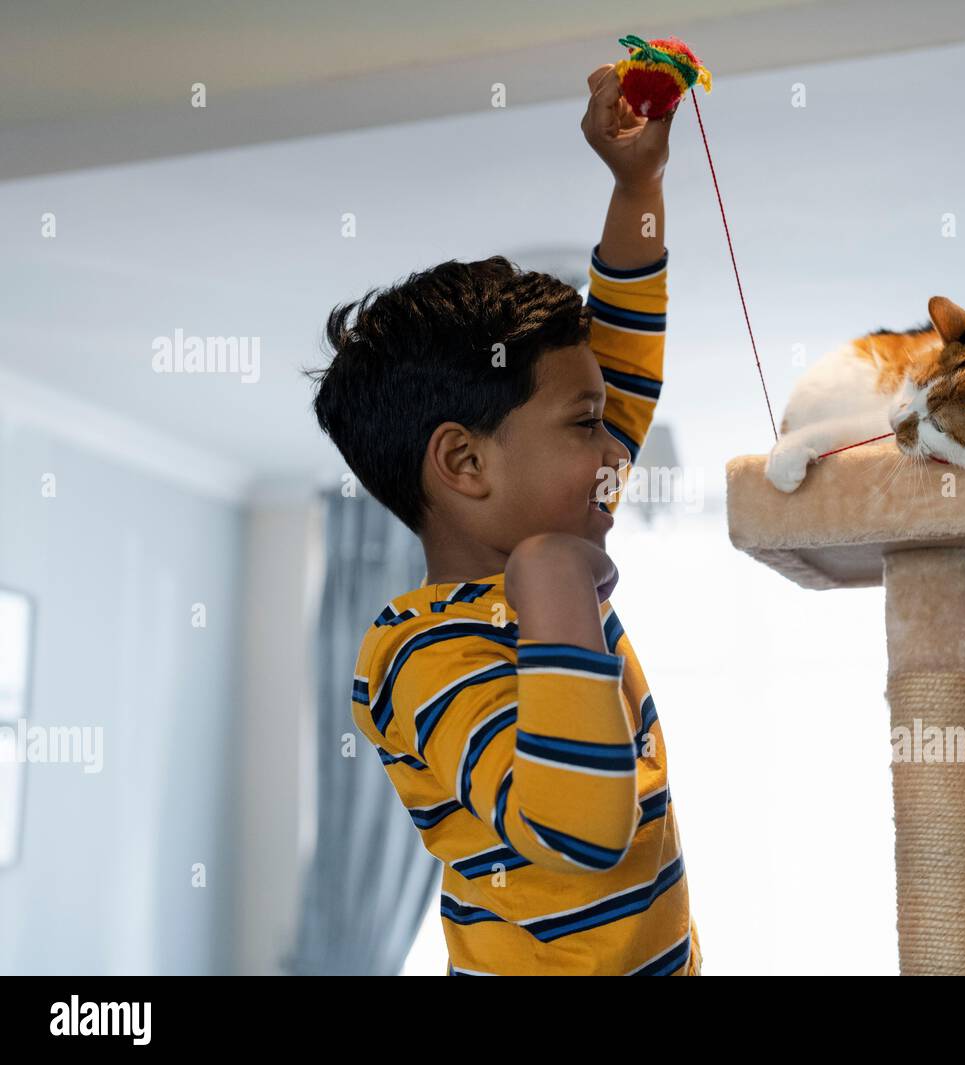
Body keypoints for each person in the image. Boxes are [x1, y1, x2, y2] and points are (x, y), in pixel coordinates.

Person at [309, 64, 701, 975]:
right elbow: (581, 829)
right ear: (464, 464)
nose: (617, 452)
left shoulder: (568, 492)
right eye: (585, 423)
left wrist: (636, 185)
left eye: (606, 421)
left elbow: (628, 354)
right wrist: (559, 591)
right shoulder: (419, 653)